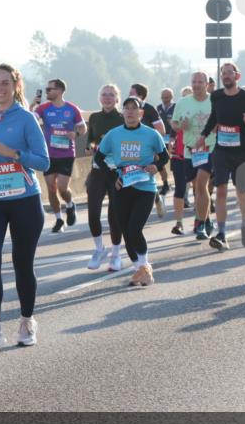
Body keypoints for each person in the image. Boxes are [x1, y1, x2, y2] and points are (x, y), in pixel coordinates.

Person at [0, 64, 50, 353]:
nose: (0, 88)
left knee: (22, 264)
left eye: (5, 82)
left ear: (16, 85)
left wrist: (14, 154)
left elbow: (44, 161)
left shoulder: (27, 119)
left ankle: (27, 321)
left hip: (25, 200)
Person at [94, 97, 169, 286]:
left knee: (135, 228)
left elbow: (165, 156)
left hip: (145, 187)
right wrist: (113, 177)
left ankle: (145, 267)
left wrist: (155, 165)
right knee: (126, 232)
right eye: (126, 109)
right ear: (123, 113)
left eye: (133, 109)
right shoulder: (113, 134)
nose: (129, 112)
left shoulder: (151, 134)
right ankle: (138, 270)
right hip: (122, 187)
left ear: (140, 113)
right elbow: (99, 158)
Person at [194, 62, 245, 250]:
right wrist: (203, 135)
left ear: (237, 76)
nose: (225, 76)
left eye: (229, 73)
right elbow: (214, 118)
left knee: (242, 191)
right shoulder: (216, 96)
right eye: (223, 73)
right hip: (221, 151)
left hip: (242, 152)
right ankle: (222, 233)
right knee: (221, 190)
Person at [34, 78, 85, 233]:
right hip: (48, 154)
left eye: (51, 89)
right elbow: (30, 118)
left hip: (66, 153)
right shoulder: (43, 108)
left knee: (62, 188)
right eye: (47, 89)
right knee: (51, 188)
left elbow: (83, 128)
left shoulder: (72, 109)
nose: (47, 91)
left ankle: (70, 205)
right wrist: (34, 104)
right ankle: (58, 218)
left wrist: (75, 133)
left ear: (60, 91)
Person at [171, 72, 215, 240]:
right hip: (190, 151)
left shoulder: (214, 101)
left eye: (200, 82)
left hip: (209, 148)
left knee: (201, 184)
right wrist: (180, 126)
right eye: (194, 82)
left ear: (207, 84)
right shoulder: (182, 102)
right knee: (198, 187)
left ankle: (200, 224)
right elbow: (174, 124)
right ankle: (207, 218)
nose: (196, 85)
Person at [85, 85, 125, 270]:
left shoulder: (122, 118)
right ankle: (99, 248)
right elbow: (91, 139)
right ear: (99, 98)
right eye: (104, 95)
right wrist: (90, 146)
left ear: (117, 98)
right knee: (93, 212)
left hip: (116, 171)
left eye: (111, 95)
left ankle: (116, 254)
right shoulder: (94, 117)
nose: (107, 98)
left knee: (114, 216)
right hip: (97, 170)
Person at [129, 84, 169, 218]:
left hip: (146, 150)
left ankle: (155, 198)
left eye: (132, 93)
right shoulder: (127, 108)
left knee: (144, 177)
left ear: (140, 96)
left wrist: (148, 139)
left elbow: (162, 131)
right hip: (129, 148)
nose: (129, 96)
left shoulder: (149, 109)